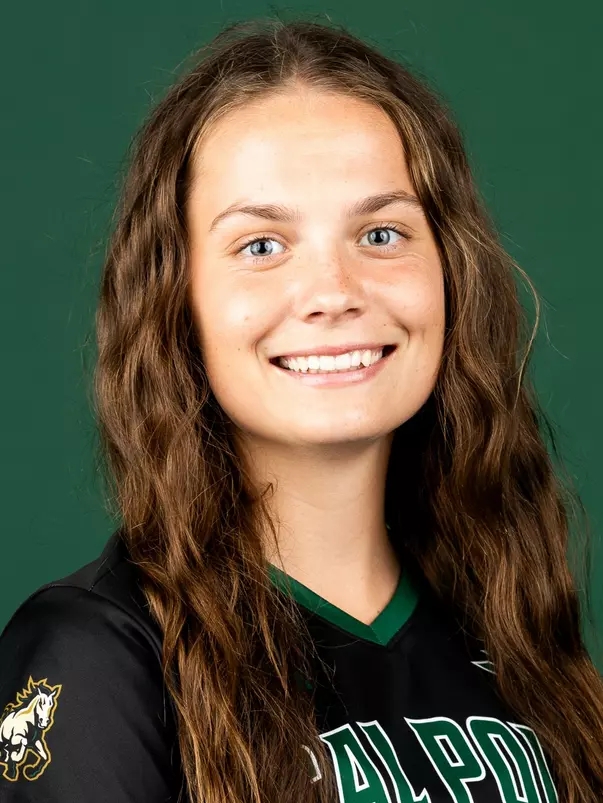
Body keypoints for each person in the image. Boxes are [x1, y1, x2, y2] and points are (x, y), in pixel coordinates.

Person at [1, 15, 602, 803]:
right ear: (177, 302)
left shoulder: (512, 628)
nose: (333, 293)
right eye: (260, 246)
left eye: (381, 233)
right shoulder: (97, 652)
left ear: (451, 274)